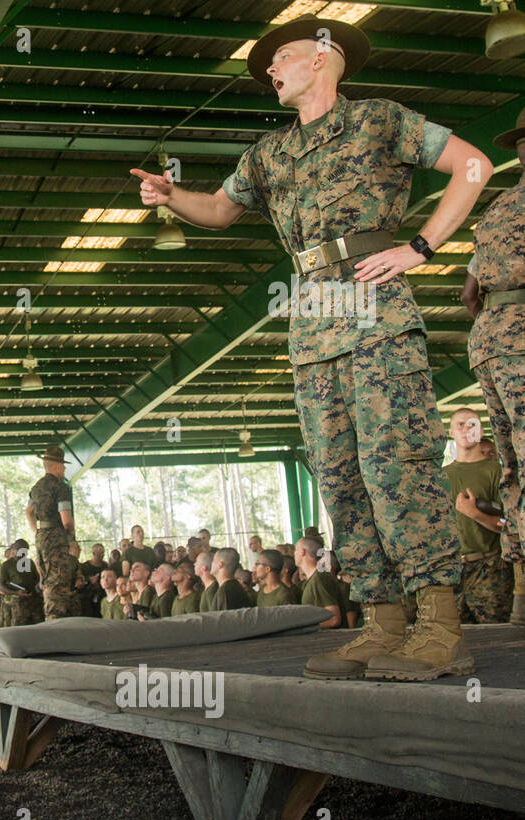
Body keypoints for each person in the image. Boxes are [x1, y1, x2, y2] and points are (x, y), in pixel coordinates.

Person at [135, 14, 488, 681]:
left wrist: (420, 247)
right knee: (341, 478)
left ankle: (441, 627)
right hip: (312, 327)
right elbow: (219, 210)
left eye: (283, 57)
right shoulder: (269, 153)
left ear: (323, 57)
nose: (272, 68)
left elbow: (474, 165)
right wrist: (172, 196)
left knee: (397, 468)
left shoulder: (380, 120)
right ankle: (382, 623)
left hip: (376, 315)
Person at [461, 108, 525, 626]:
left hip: (490, 341)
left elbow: (469, 295)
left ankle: (522, 588)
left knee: (512, 466)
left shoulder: (497, 209)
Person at [443, 409, 513, 623]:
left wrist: (474, 513)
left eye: (472, 425)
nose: (466, 429)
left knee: (495, 634)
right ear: (451, 432)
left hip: (489, 568)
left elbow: (509, 524)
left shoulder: (497, 472)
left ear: (480, 432)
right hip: (452, 571)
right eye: (460, 425)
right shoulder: (442, 476)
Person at [26, 446, 79, 620]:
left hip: (41, 538)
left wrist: (37, 532)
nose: (64, 469)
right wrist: (69, 538)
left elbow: (28, 512)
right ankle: (56, 621)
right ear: (55, 466)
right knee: (59, 583)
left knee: (47, 581)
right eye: (63, 466)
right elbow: (66, 520)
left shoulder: (36, 488)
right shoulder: (60, 488)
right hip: (57, 538)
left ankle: (50, 619)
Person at [296, 538, 347, 637]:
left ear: (302, 551)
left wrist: (304, 626)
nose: (295, 554)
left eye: (296, 550)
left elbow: (333, 619)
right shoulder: (312, 580)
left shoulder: (320, 578)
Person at [0, 539, 42, 627]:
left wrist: (37, 589)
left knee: (38, 625)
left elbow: (37, 579)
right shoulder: (6, 565)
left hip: (32, 598)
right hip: (16, 601)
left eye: (25, 550)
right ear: (15, 550)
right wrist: (16, 593)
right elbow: (1, 585)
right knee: (20, 626)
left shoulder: (30, 563)